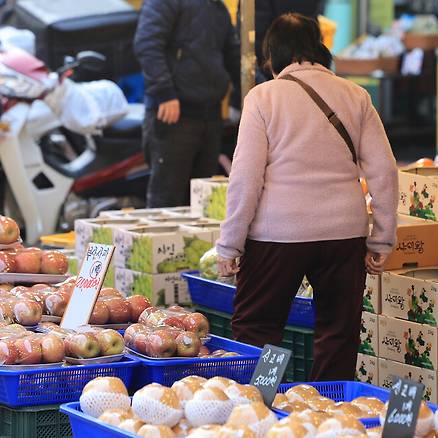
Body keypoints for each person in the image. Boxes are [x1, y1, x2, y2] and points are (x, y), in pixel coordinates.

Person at [215, 13, 398, 381]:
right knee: (338, 333)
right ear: (318, 47)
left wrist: (229, 246)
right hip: (343, 234)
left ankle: (259, 410)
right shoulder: (355, 96)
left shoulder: (262, 98)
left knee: (258, 330)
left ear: (272, 55)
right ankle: (329, 417)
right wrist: (382, 237)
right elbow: (384, 171)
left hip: (276, 236)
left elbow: (245, 179)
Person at [134, 0, 240, 208]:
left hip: (210, 117)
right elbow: (147, 44)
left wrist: (267, 91)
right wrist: (164, 94)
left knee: (203, 207)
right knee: (166, 204)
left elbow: (235, 57)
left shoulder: (217, 8)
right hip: (174, 117)